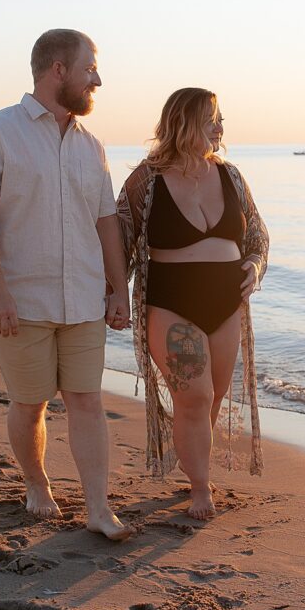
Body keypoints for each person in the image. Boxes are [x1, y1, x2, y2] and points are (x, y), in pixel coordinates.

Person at [0, 29, 132, 540]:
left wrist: (118, 290)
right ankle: (37, 484)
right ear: (59, 70)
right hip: (20, 300)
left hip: (83, 298)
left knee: (86, 400)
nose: (97, 78)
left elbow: (106, 224)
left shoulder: (92, 145)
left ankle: (98, 508)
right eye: (89, 68)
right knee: (30, 403)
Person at [117, 88, 269, 519]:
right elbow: (120, 242)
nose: (220, 129)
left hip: (226, 304)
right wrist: (113, 294)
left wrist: (254, 266)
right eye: (212, 119)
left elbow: (257, 234)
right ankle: (200, 488)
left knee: (214, 395)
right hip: (170, 303)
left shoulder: (232, 176)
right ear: (184, 123)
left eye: (220, 120)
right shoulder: (146, 181)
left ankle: (192, 461)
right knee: (195, 396)